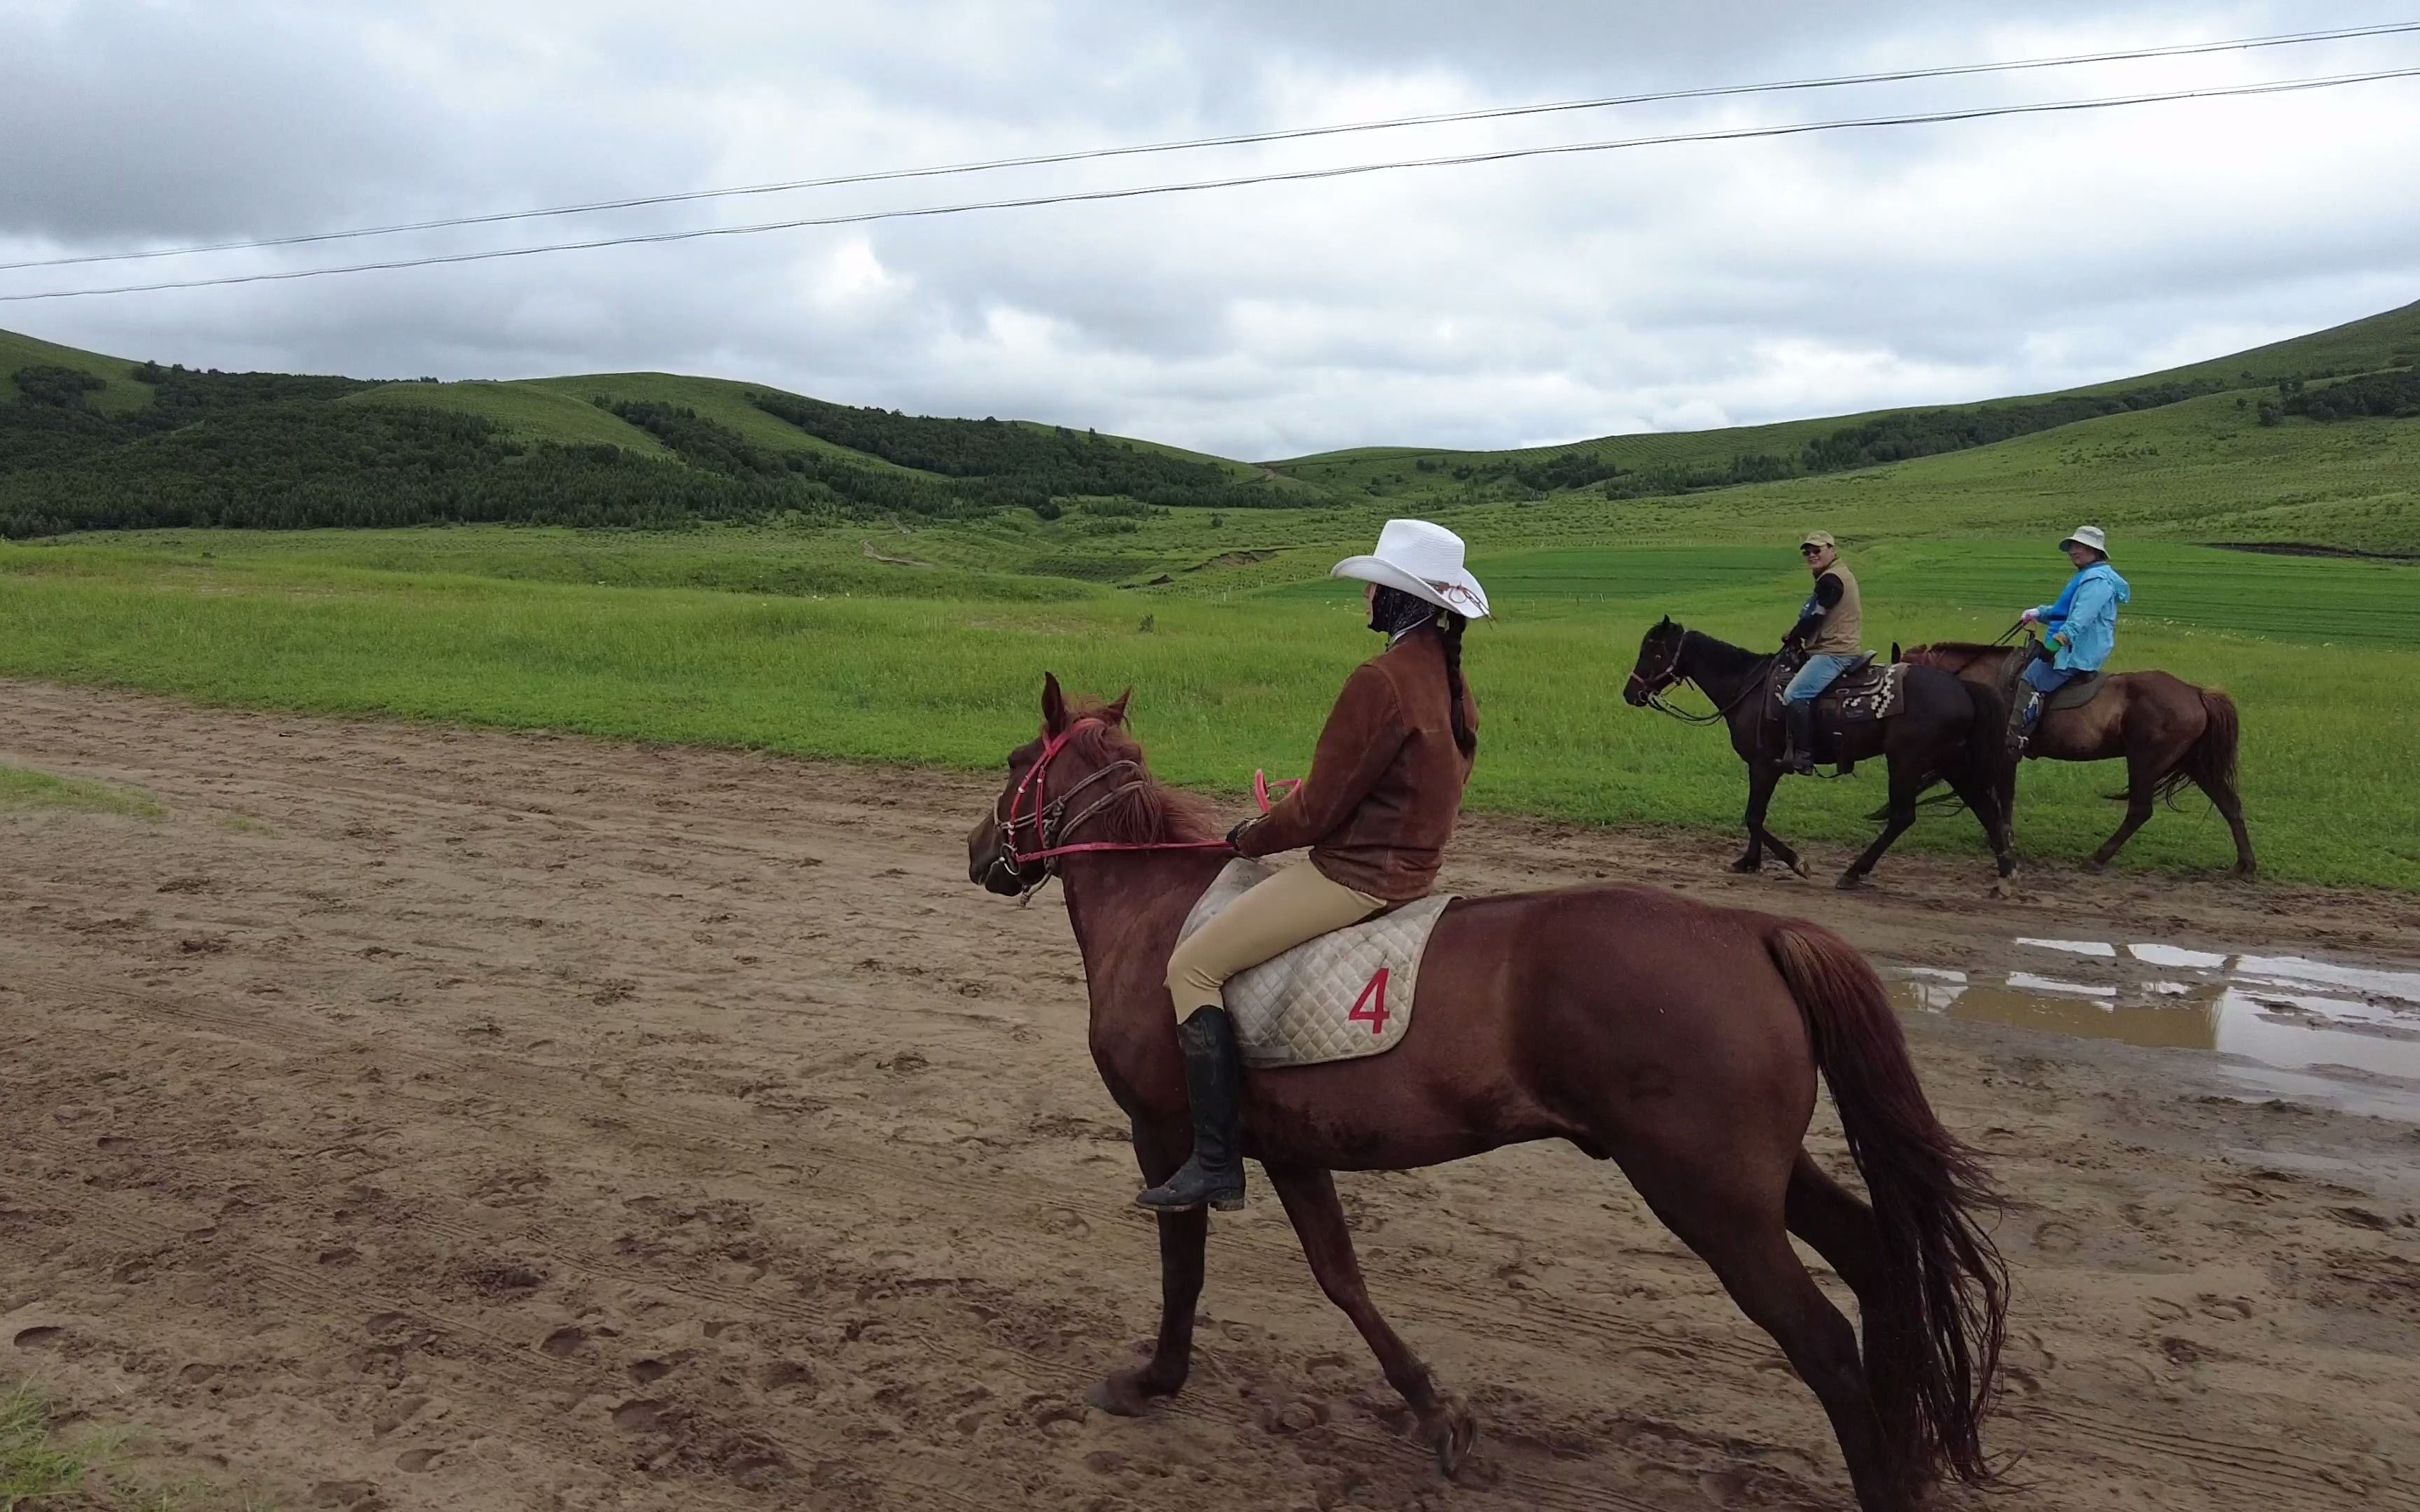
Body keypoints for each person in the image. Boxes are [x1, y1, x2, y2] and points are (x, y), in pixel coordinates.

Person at [1136, 518, 1485, 1214]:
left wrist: (1249, 836)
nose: (1368, 599)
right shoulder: (1450, 684)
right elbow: (1411, 788)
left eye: (1378, 589)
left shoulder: (1381, 680)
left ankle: (1215, 1163)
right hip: (1415, 875)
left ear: (1400, 602)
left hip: (1354, 882)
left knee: (1192, 970)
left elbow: (1317, 815)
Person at [2016, 524, 2130, 751]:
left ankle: (2016, 739)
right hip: (2077, 645)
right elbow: (2065, 611)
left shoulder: (2097, 581)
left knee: (2031, 679)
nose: (2073, 551)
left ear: (2095, 551)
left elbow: (2080, 619)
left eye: (2080, 546)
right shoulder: (2089, 576)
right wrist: (2038, 613)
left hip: (2079, 650)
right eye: (2072, 546)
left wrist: (2054, 643)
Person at [1778, 530, 1864, 776]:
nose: (1812, 555)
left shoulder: (1831, 580)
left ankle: (1804, 755)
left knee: (1794, 693)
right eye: (1808, 552)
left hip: (1834, 651)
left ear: (1832, 551)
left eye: (1818, 550)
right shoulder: (1836, 574)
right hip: (1836, 646)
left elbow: (1814, 616)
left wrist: (1794, 636)